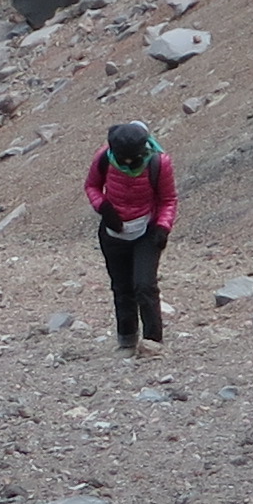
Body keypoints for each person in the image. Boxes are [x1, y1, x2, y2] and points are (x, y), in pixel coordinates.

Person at [85, 119, 176, 354]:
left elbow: (168, 199)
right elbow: (92, 186)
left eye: (132, 159)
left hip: (147, 232)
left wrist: (162, 227)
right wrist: (104, 208)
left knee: (145, 285)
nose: (126, 163)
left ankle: (152, 342)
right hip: (113, 233)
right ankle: (126, 339)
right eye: (122, 159)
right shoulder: (104, 157)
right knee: (122, 287)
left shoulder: (159, 162)